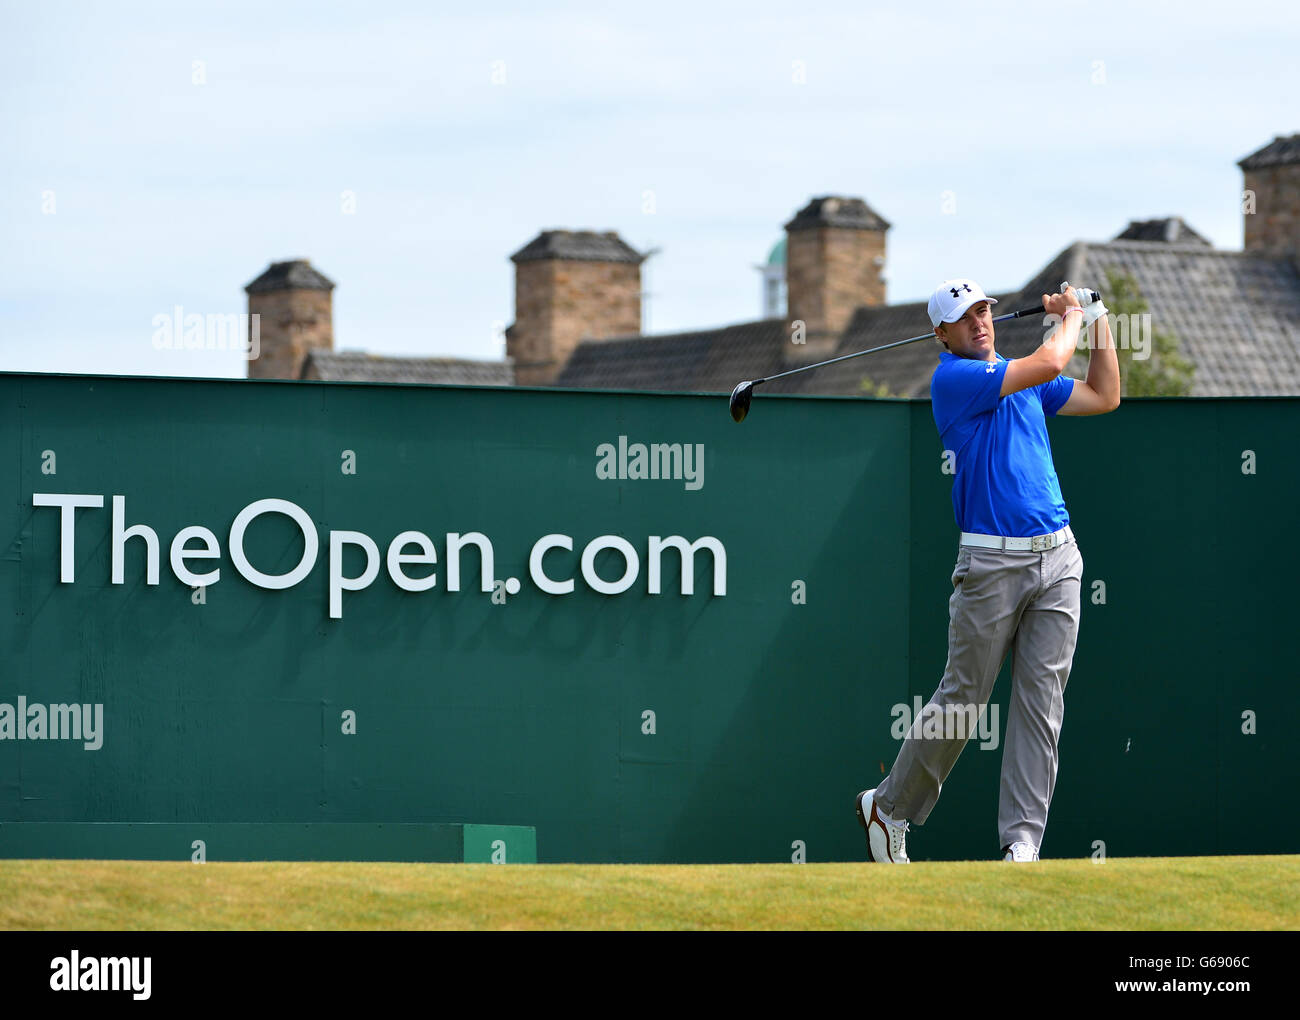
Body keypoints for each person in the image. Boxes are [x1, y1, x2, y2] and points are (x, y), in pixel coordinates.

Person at [857, 278, 1120, 863]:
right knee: (963, 699)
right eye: (964, 317)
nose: (979, 322)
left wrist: (1098, 320)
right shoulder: (953, 381)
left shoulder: (1023, 377)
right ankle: (888, 807)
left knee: (1041, 705)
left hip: (1059, 557)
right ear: (941, 334)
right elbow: (1052, 355)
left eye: (983, 311)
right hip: (990, 564)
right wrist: (1071, 312)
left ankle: (1021, 845)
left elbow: (1104, 395)